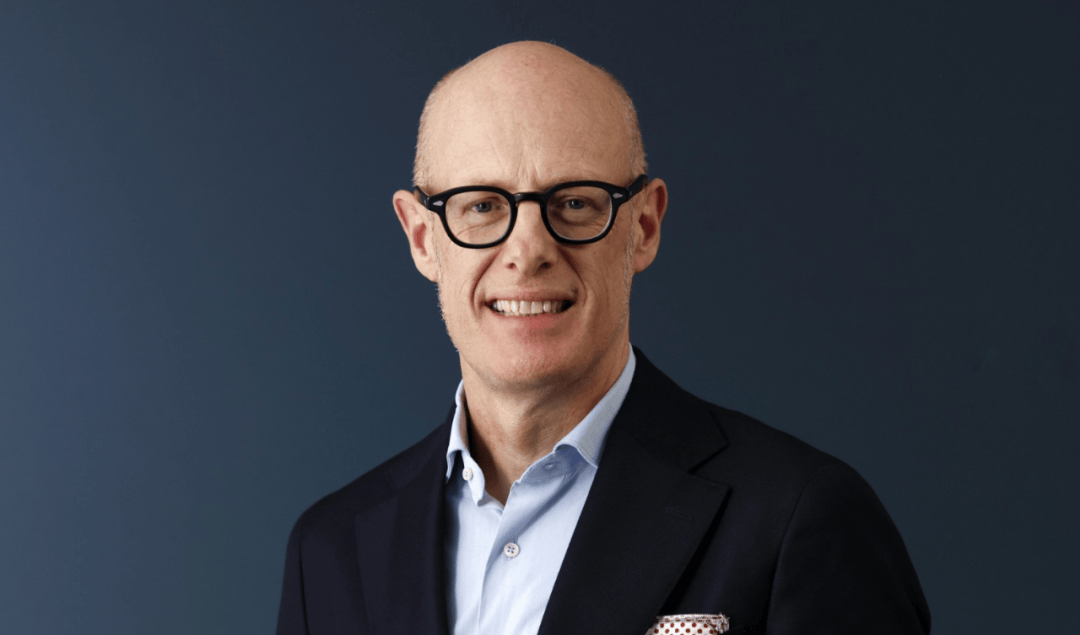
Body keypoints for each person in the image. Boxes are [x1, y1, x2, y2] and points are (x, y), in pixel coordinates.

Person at [275, 41, 931, 635]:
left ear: (644, 227)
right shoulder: (329, 551)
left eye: (575, 202)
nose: (528, 250)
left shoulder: (799, 518)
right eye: (481, 205)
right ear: (422, 238)